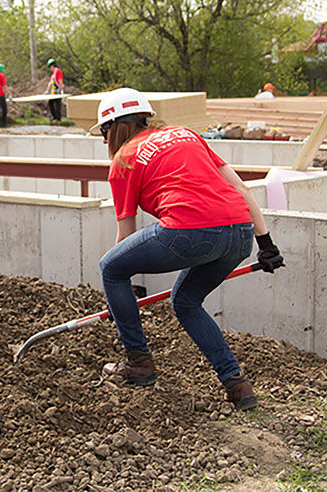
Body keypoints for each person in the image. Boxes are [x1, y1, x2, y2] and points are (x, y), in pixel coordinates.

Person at [92, 88, 284, 411]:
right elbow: (239, 187)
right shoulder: (186, 135)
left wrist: (121, 291)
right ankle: (237, 385)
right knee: (186, 302)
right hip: (240, 233)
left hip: (188, 230)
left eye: (103, 132)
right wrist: (265, 244)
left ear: (113, 128)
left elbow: (126, 234)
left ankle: (139, 363)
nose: (103, 141)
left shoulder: (123, 159)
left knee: (110, 268)